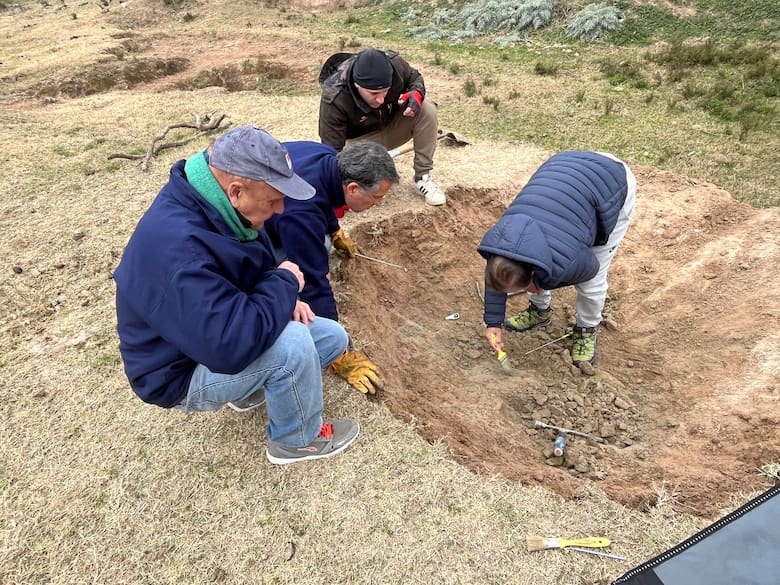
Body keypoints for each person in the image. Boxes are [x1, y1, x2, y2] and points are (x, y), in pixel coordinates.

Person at [113, 125, 360, 465]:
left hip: (211, 335)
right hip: (179, 370)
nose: (280, 210)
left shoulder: (215, 207)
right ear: (236, 191)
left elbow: (244, 276)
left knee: (331, 336)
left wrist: (283, 296)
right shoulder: (180, 251)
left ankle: (250, 389)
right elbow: (231, 345)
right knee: (292, 345)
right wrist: (285, 285)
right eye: (273, 200)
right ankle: (295, 440)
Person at [264, 140, 399, 396]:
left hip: (281, 211)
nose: (379, 204)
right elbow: (314, 281)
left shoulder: (330, 159)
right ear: (353, 188)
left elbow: (322, 197)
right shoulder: (302, 214)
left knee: (323, 241)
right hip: (244, 231)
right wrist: (338, 352)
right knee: (308, 255)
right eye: (377, 198)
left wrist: (334, 229)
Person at [478, 151, 637, 366]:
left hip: (611, 183)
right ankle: (539, 312)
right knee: (531, 278)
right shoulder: (500, 245)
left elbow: (590, 268)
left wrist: (545, 282)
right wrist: (493, 323)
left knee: (593, 282)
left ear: (535, 273)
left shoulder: (569, 260)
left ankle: (586, 329)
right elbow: (498, 278)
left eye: (525, 287)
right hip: (564, 173)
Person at [318, 47, 446, 206]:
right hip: (359, 146)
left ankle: (422, 177)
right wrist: (337, 192)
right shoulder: (335, 95)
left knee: (427, 107)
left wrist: (416, 93)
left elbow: (415, 78)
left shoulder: (394, 65)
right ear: (357, 85)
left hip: (392, 126)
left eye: (385, 92)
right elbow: (331, 151)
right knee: (341, 162)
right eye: (373, 94)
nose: (380, 100)